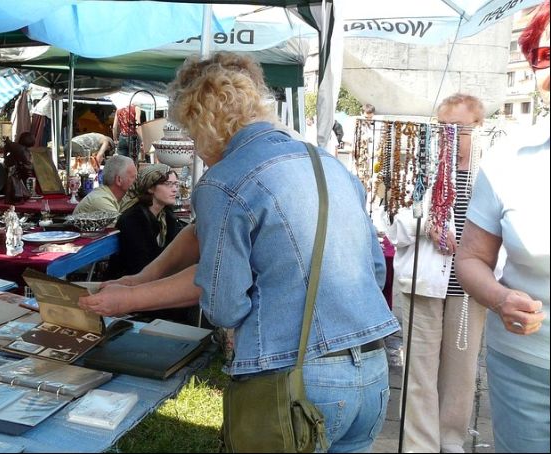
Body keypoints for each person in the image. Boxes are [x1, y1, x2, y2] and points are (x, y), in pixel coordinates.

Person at [172, 51, 399, 451]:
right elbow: (375, 270)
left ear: (204, 121)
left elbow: (225, 306)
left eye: (191, 132)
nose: (194, 145)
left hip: (292, 377)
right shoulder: (327, 164)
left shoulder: (222, 182)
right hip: (372, 370)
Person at [455, 3, 549, 452]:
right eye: (544, 56)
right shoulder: (508, 160)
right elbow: (470, 259)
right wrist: (499, 297)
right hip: (526, 369)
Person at [387, 94, 487, 453]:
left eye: (458, 128)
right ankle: (418, 446)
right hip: (425, 281)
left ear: (478, 127)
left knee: (460, 372)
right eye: (444, 126)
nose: (450, 135)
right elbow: (390, 224)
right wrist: (425, 224)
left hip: (471, 286)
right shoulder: (419, 167)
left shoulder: (489, 173)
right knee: (418, 370)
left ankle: (451, 442)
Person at [106, 163, 186, 322]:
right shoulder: (132, 219)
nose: (175, 189)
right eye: (168, 184)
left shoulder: (166, 217)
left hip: (156, 280)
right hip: (131, 285)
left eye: (176, 184)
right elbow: (141, 263)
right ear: (150, 188)